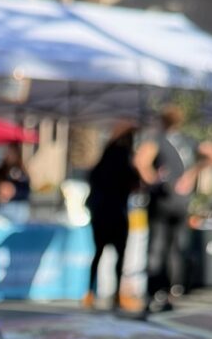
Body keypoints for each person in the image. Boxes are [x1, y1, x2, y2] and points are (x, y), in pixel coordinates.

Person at [135, 106, 200, 311]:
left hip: (163, 202)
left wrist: (153, 180)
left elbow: (140, 161)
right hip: (180, 203)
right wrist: (191, 175)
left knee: (158, 247)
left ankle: (155, 293)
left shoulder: (158, 140)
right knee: (175, 248)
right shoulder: (187, 141)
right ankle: (172, 292)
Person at [84, 121, 140, 309]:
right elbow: (135, 183)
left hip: (100, 213)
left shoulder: (104, 160)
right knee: (119, 256)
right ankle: (116, 294)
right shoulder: (126, 160)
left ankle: (90, 292)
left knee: (98, 253)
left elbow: (92, 179)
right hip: (117, 212)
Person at [0, 143, 31, 223]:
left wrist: (13, 191)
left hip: (18, 210)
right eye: (7, 152)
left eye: (12, 152)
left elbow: (26, 191)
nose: (9, 155)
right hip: (2, 209)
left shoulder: (22, 172)